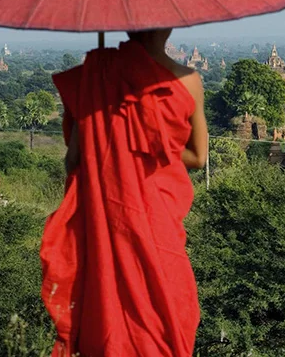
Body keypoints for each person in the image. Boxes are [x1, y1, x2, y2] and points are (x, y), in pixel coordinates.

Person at [40, 29, 208, 356]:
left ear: (128, 26)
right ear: (169, 26)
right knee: (165, 317)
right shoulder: (188, 80)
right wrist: (152, 148)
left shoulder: (96, 74)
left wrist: (107, 137)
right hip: (159, 226)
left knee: (107, 314)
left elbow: (73, 160)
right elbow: (198, 157)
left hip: (108, 221)